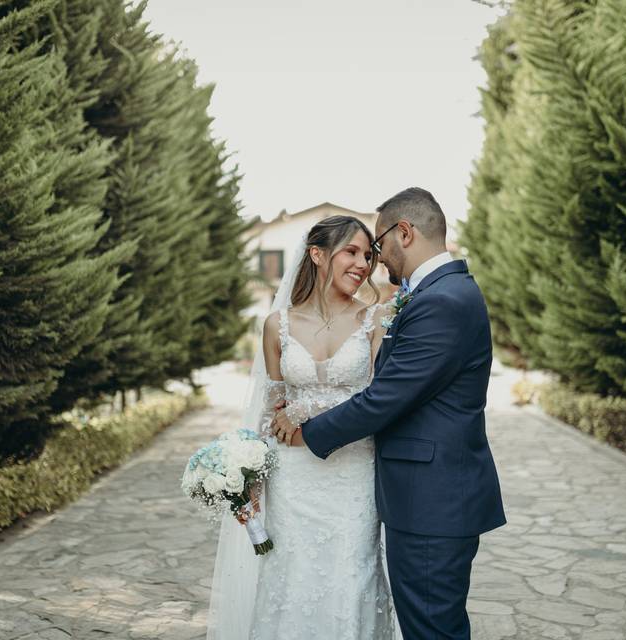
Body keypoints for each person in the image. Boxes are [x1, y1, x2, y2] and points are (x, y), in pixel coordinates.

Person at [272, 187, 507, 639]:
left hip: (431, 502)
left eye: (377, 246)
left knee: (432, 630)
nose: (376, 262)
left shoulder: (442, 301)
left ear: (404, 232)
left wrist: (307, 432)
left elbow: (386, 398)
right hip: (425, 497)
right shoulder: (441, 293)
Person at [206, 214, 397, 640]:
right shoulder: (278, 325)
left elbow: (380, 399)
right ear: (317, 254)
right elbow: (271, 410)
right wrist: (250, 477)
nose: (362, 264)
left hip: (353, 476)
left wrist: (305, 408)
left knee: (353, 577)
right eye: (351, 252)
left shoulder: (376, 321)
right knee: (292, 577)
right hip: (293, 479)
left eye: (368, 255)